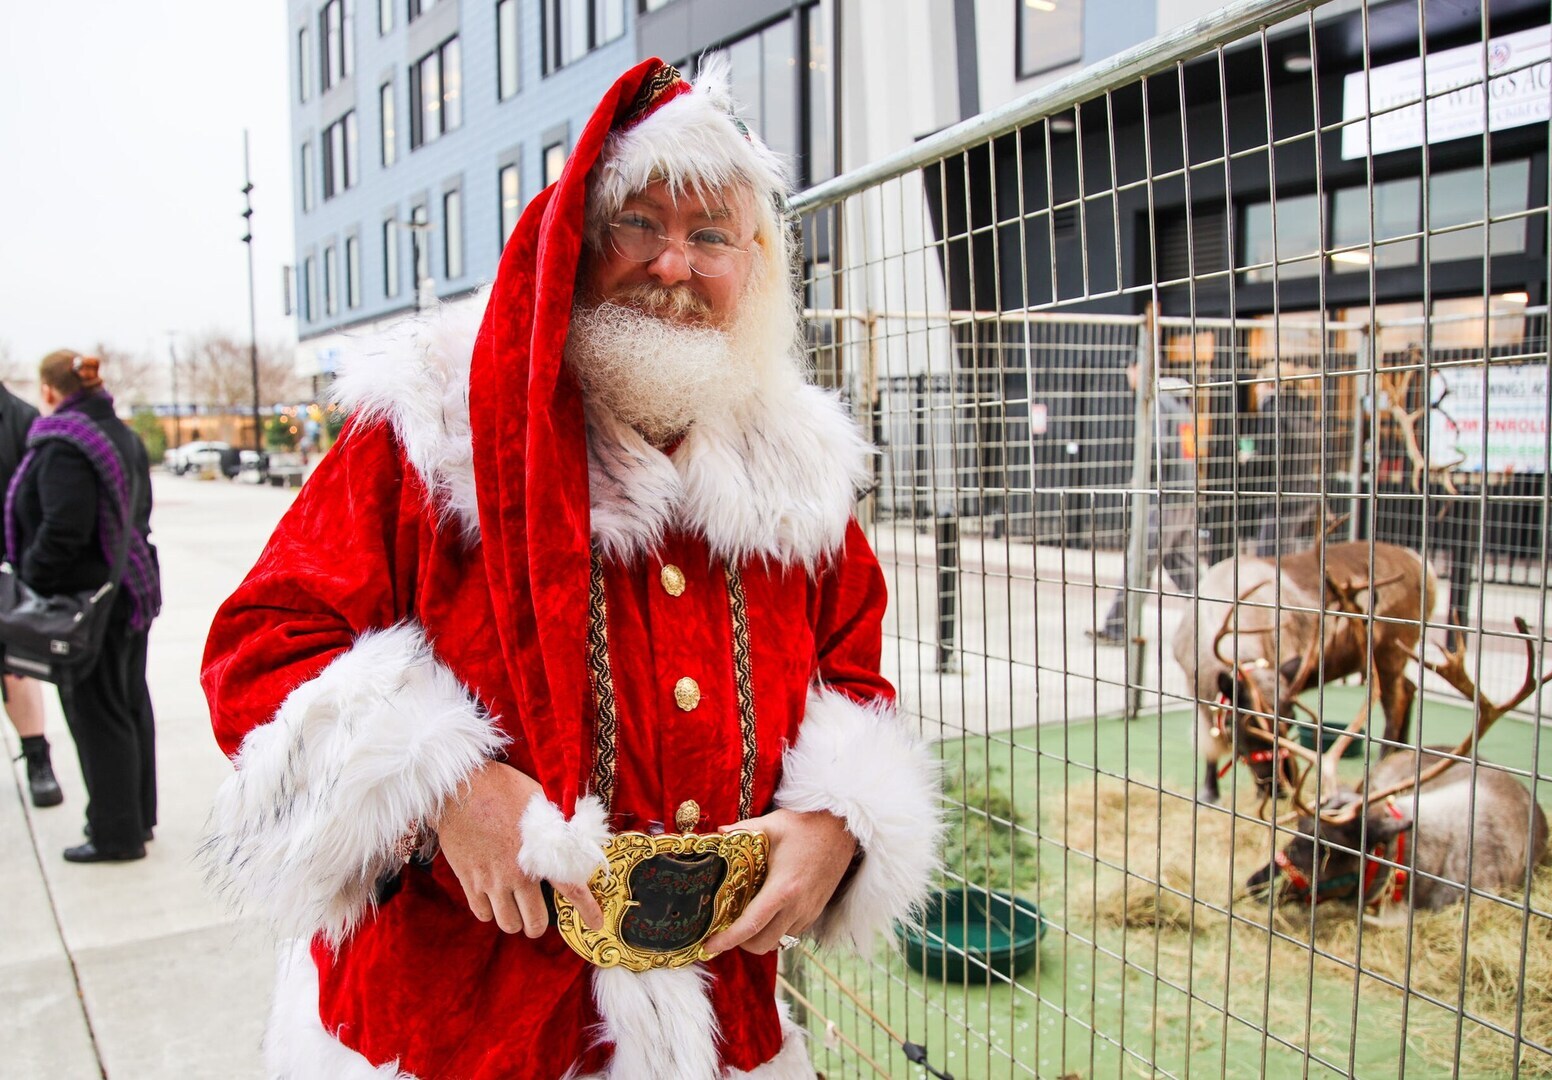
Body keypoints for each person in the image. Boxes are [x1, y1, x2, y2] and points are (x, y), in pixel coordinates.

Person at [200, 60, 942, 1079]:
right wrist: (442, 785)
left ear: (754, 265)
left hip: (721, 1025)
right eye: (640, 223)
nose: (674, 264)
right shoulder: (433, 430)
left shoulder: (797, 472)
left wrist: (837, 819)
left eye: (712, 236)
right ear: (578, 239)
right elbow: (262, 650)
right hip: (467, 1028)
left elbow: (849, 673)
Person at [8, 353, 161, 861]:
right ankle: (137, 820)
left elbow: (63, 528)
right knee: (129, 703)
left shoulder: (65, 444)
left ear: (49, 391)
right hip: (131, 589)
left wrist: (30, 580)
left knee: (98, 715)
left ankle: (115, 835)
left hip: (88, 603)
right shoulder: (120, 434)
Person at [1092, 362, 1202, 644]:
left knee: (1140, 560)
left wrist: (1141, 476)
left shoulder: (1158, 402)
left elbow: (1157, 446)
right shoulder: (1181, 404)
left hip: (1164, 496)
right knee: (1186, 569)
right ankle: (1218, 617)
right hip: (1184, 493)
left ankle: (1117, 628)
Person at [0, 379, 58, 807]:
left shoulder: (21, 418)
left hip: (7, 572)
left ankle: (38, 759)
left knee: (16, 671)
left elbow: (38, 501)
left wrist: (30, 570)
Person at [1247, 368, 1319, 557]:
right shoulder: (1303, 408)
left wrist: (1249, 459)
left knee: (1269, 558)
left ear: (1270, 385)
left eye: (1259, 384)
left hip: (1281, 498)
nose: (1256, 390)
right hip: (1303, 494)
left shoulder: (1273, 410)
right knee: (1284, 554)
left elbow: (1268, 456)